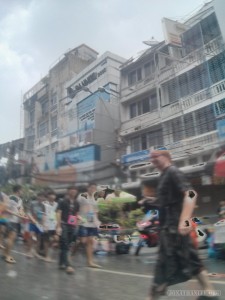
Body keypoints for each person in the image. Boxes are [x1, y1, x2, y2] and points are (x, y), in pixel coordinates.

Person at [147, 150, 219, 300]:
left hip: (175, 228)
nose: (152, 160)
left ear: (166, 157)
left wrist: (185, 219)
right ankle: (210, 293)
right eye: (150, 158)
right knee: (191, 259)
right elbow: (168, 200)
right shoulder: (164, 175)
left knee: (163, 264)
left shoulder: (173, 171)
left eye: (155, 157)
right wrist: (151, 200)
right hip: (170, 228)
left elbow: (191, 194)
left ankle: (152, 297)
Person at [56, 186, 80, 274]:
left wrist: (76, 224)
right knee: (65, 243)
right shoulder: (62, 201)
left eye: (75, 190)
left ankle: (61, 262)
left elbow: (76, 214)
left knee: (66, 244)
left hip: (72, 225)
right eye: (72, 190)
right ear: (68, 191)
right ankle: (68, 265)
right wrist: (58, 226)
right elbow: (58, 213)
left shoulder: (77, 203)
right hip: (63, 224)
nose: (74, 191)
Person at [77, 183, 101, 268]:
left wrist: (97, 221)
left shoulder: (96, 198)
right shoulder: (82, 196)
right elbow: (77, 207)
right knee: (82, 241)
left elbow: (96, 211)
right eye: (92, 188)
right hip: (83, 222)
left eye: (95, 188)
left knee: (90, 241)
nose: (93, 189)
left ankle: (90, 262)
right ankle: (72, 253)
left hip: (92, 223)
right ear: (88, 188)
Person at [27, 192, 46, 258]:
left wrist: (43, 224)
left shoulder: (43, 205)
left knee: (38, 238)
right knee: (31, 237)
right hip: (32, 222)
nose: (41, 198)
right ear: (37, 196)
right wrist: (33, 220)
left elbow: (43, 215)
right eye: (40, 196)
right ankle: (29, 252)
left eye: (42, 197)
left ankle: (35, 252)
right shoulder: (32, 203)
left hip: (40, 223)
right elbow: (29, 213)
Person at [42, 190, 57, 262]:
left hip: (54, 224)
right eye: (51, 195)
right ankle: (47, 255)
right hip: (47, 224)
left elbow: (58, 214)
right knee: (46, 240)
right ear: (48, 196)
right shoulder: (44, 204)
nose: (52, 196)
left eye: (53, 195)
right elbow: (43, 214)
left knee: (55, 239)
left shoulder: (56, 204)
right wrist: (44, 224)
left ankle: (48, 254)